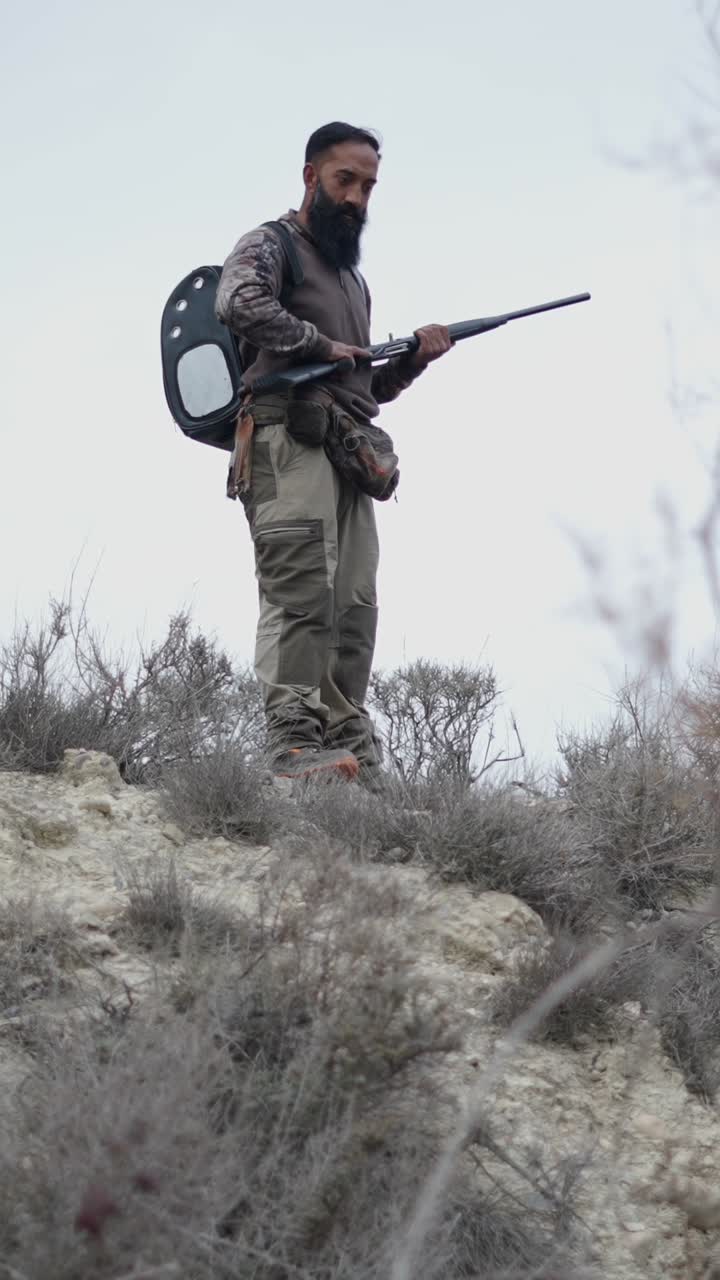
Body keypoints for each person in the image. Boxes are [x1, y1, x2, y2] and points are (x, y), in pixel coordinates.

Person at [215, 121, 452, 785]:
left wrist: (413, 361)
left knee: (354, 606)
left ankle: (350, 750)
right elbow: (237, 302)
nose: (356, 197)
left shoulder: (352, 281)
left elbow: (363, 385)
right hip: (285, 441)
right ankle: (292, 746)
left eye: (368, 186)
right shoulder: (272, 243)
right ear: (311, 176)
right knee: (302, 592)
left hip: (346, 452)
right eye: (345, 179)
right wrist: (319, 345)